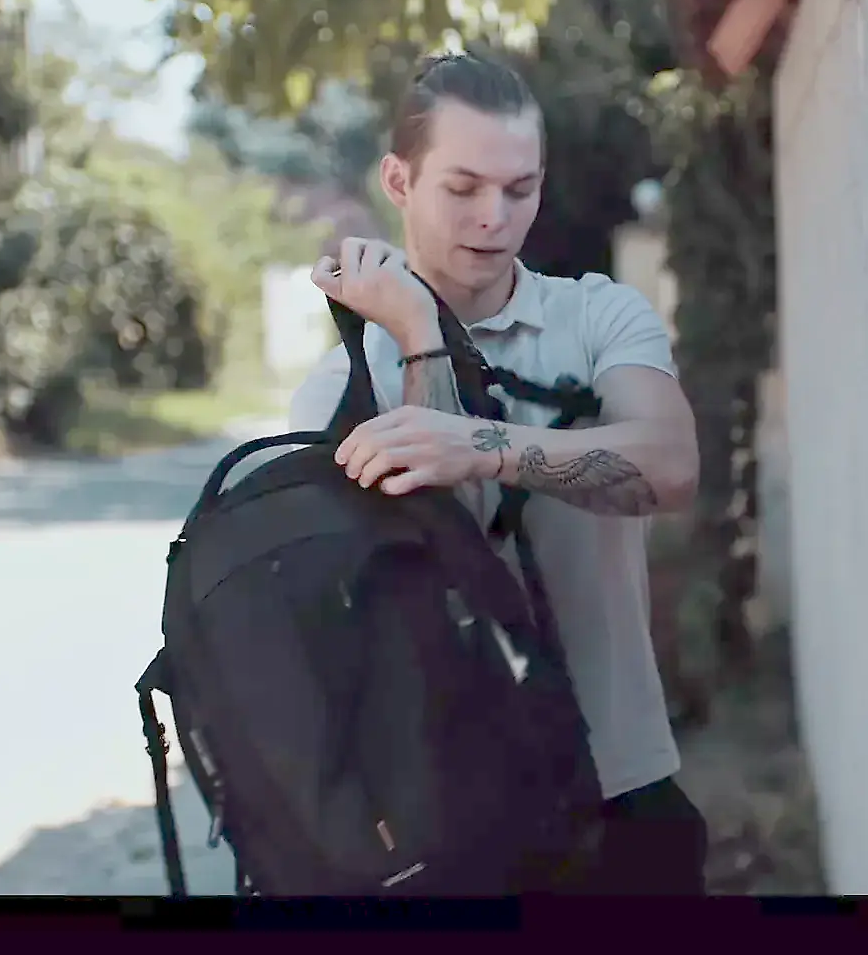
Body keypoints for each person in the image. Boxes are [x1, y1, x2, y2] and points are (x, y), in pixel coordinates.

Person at [287, 50, 709, 895]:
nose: (494, 217)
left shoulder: (597, 316)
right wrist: (419, 336)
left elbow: (670, 466)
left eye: (521, 189)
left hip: (619, 793)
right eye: (464, 187)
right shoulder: (340, 388)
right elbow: (439, 557)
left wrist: (482, 444)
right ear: (399, 182)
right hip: (448, 824)